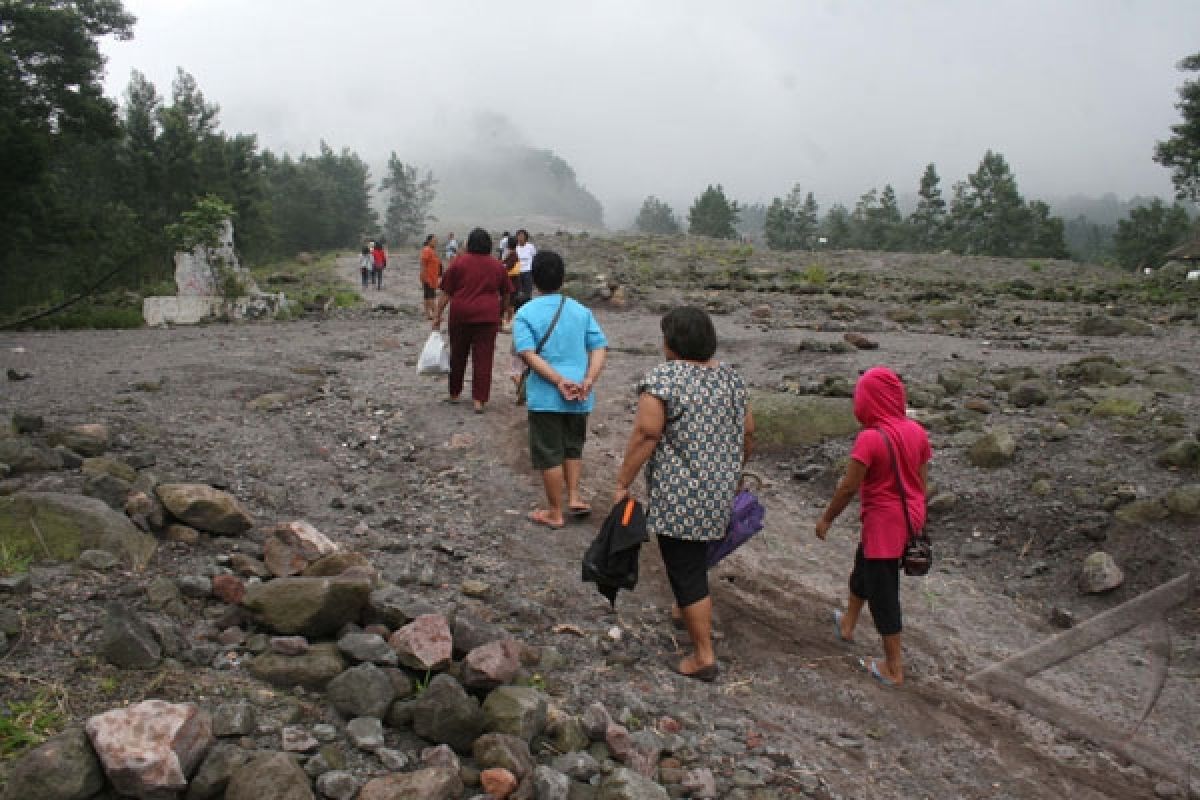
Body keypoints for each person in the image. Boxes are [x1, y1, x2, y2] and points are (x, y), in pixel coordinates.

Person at [612, 306, 754, 683]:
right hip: (721, 489)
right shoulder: (732, 380)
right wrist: (732, 470)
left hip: (680, 493)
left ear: (672, 343)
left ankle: (703, 655)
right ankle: (683, 609)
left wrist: (623, 480)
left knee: (686, 567)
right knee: (697, 555)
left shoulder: (663, 379)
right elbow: (748, 433)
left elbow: (646, 434)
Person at [815, 366, 931, 688]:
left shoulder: (869, 438)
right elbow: (922, 483)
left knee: (884, 591)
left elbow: (848, 487)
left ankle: (893, 666)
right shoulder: (917, 432)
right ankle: (849, 622)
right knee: (863, 566)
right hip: (908, 518)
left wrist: (827, 519)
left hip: (883, 523)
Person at [515, 250, 607, 530]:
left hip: (545, 396)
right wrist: (589, 380)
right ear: (563, 278)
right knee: (572, 446)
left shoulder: (525, 313)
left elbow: (528, 354)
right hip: (580, 394)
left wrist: (556, 380)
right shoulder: (581, 311)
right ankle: (575, 496)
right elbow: (599, 347)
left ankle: (555, 512)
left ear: (534, 280)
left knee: (548, 452)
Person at [433, 228, 510, 413]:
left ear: (469, 243)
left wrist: (437, 315)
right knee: (483, 358)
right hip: (488, 316)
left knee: (458, 355)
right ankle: (479, 400)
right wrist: (501, 313)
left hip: (461, 315)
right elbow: (507, 292)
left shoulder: (459, 263)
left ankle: (454, 393)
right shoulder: (497, 266)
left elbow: (446, 292)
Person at [419, 234, 441, 320]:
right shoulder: (427, 250)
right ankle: (436, 315)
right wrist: (423, 276)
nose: (436, 242)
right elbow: (423, 263)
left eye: (436, 241)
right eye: (434, 240)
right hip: (428, 277)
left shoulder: (431, 250)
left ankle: (428, 315)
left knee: (427, 296)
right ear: (429, 241)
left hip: (431, 277)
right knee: (431, 296)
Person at [513, 229, 536, 304]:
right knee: (518, 292)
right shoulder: (515, 247)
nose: (520, 237)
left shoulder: (530, 246)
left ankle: (528, 305)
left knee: (527, 292)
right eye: (519, 236)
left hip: (528, 272)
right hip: (518, 272)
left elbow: (534, 257)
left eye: (522, 236)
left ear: (526, 237)